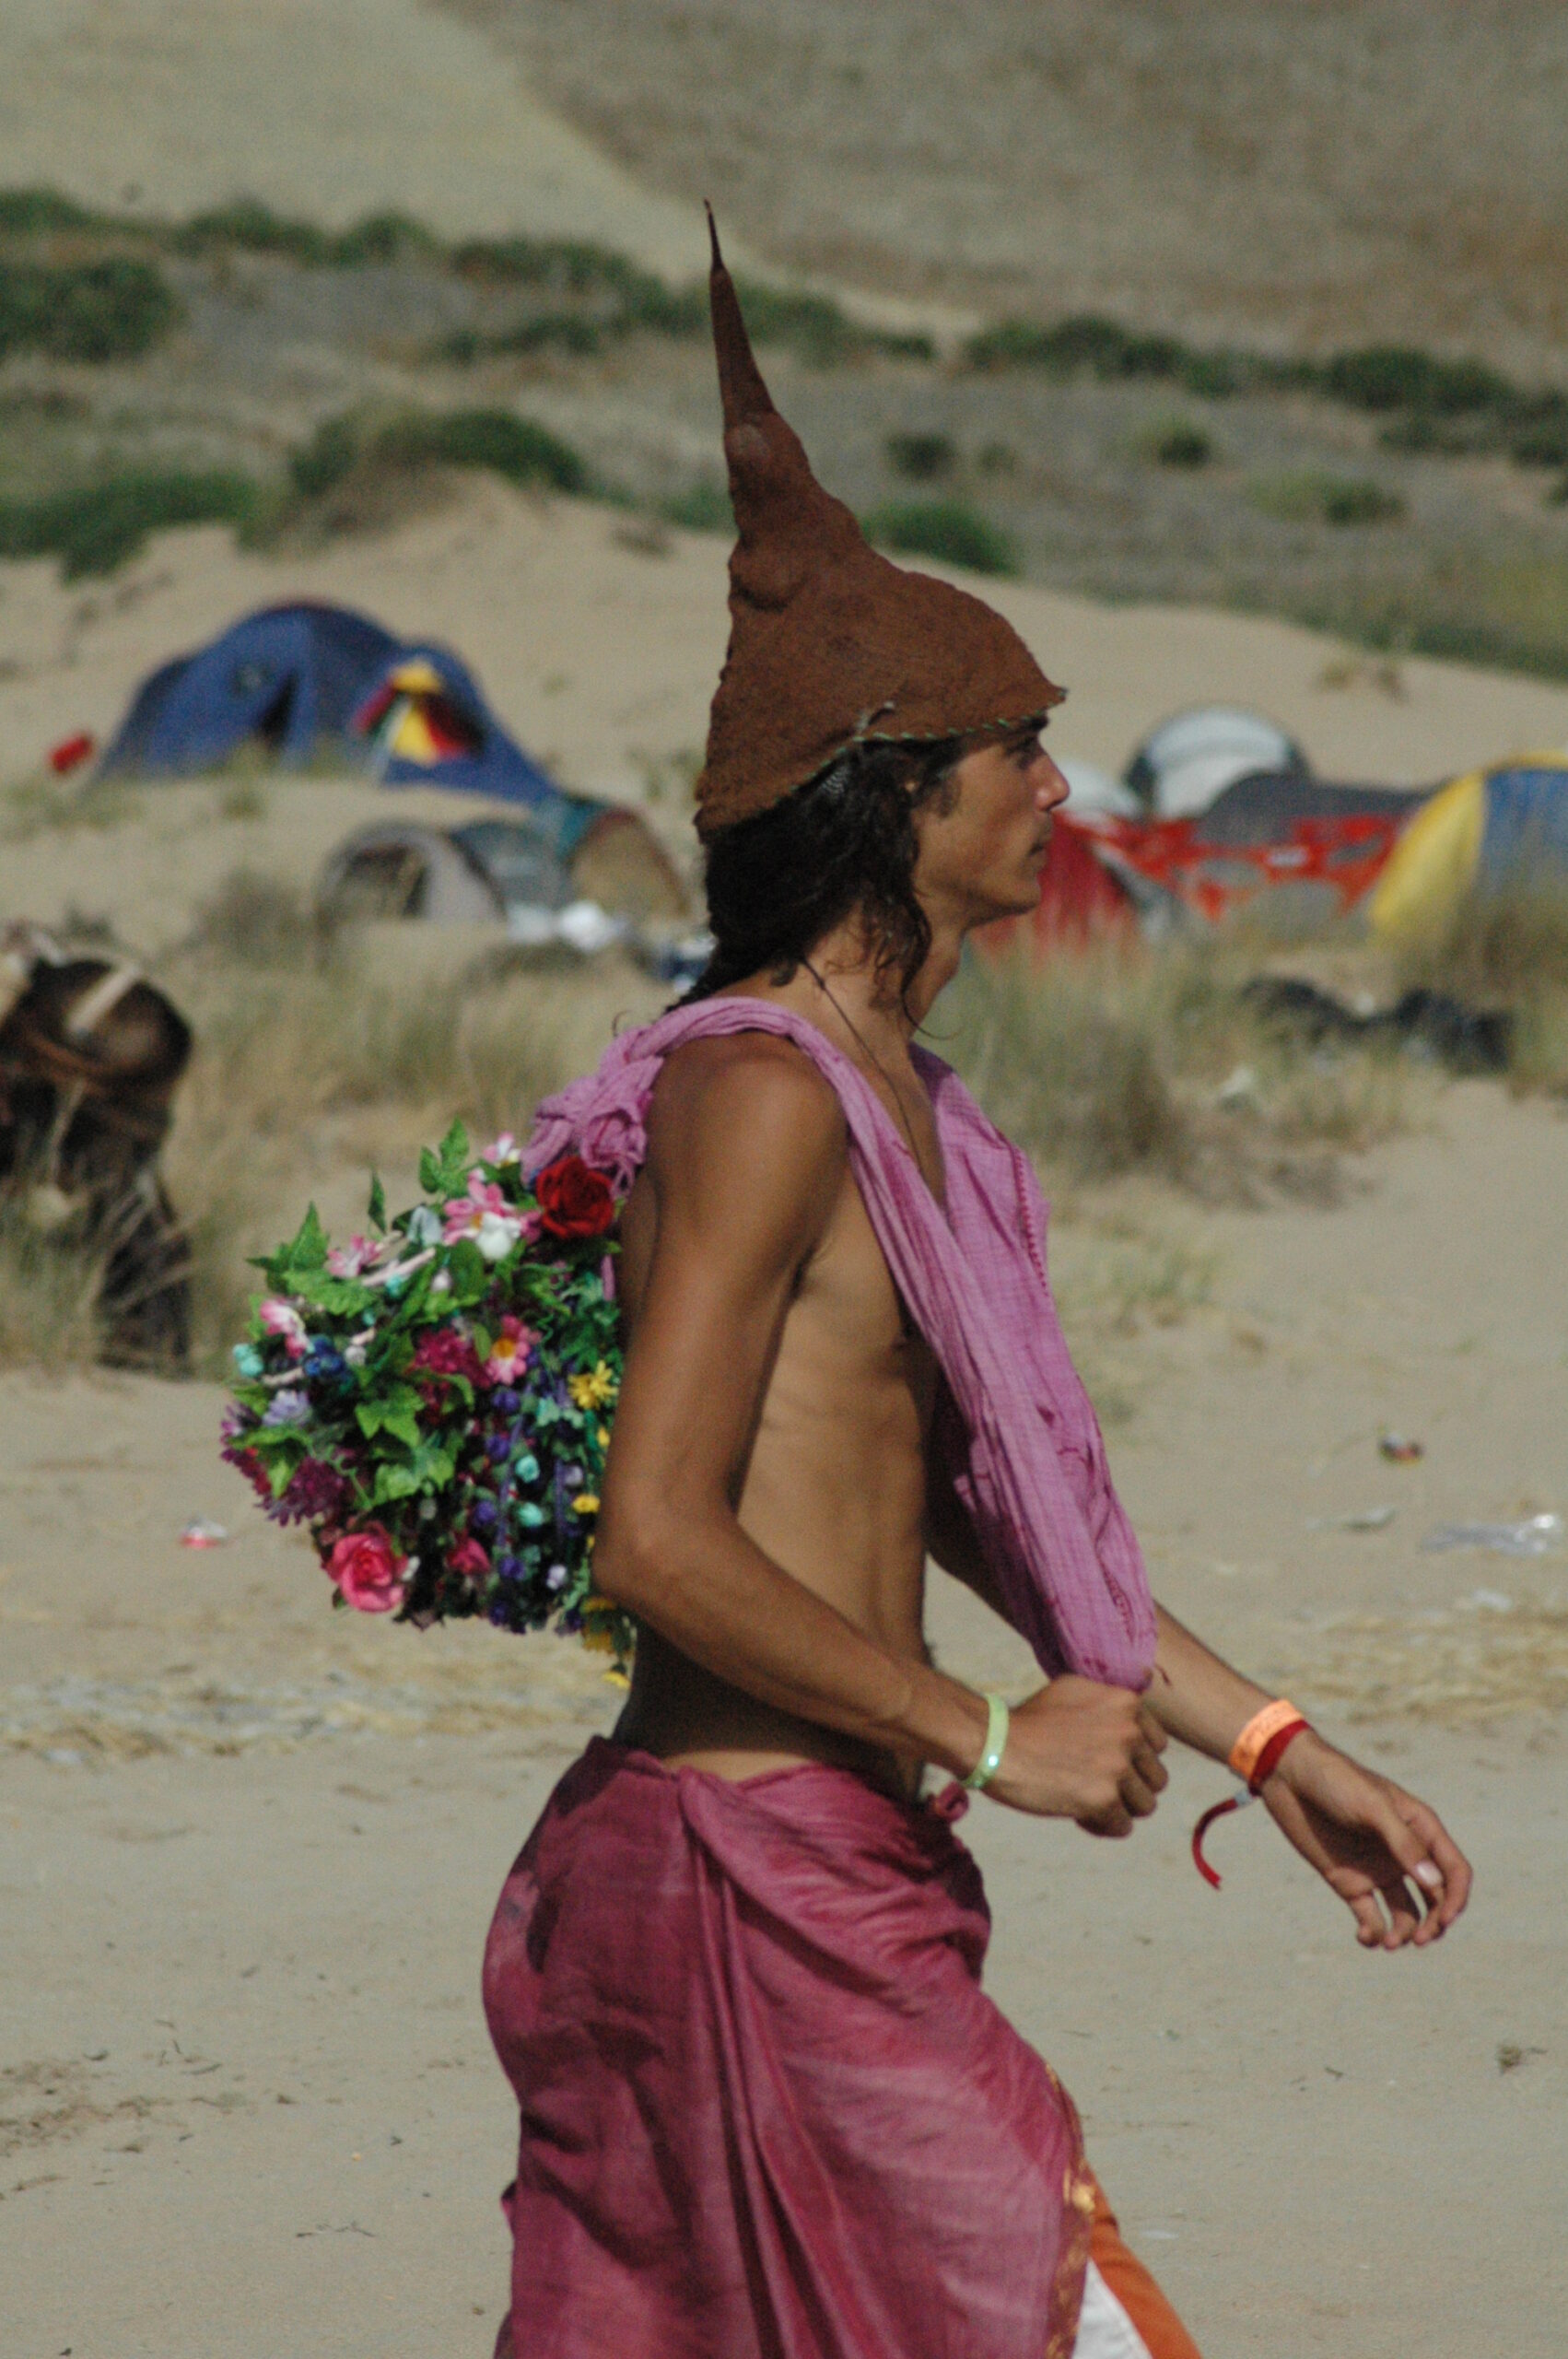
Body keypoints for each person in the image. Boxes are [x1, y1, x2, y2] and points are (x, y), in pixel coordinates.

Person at [482, 220, 1472, 2359]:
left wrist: (1267, 1740)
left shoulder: (915, 1110)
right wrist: (986, 1730)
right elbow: (657, 1535)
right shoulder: (760, 1089)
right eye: (1011, 748)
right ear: (886, 797)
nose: (1052, 788)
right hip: (733, 1881)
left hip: (838, 1866)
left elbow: (971, 1512)